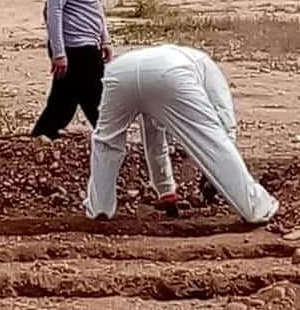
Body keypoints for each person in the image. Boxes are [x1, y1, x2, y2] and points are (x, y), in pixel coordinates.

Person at [84, 44, 279, 224]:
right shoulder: (208, 67)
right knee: (210, 139)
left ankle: (99, 208)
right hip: (170, 72)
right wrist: (213, 176)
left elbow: (153, 138)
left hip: (118, 72)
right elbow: (223, 127)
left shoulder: (185, 59)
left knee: (106, 143)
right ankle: (256, 208)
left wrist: (166, 192)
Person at [31, 0, 114, 140]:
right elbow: (53, 10)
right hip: (74, 46)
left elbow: (95, 1)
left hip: (89, 42)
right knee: (95, 99)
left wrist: (105, 38)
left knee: (64, 102)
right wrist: (59, 53)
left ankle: (41, 136)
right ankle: (111, 140)